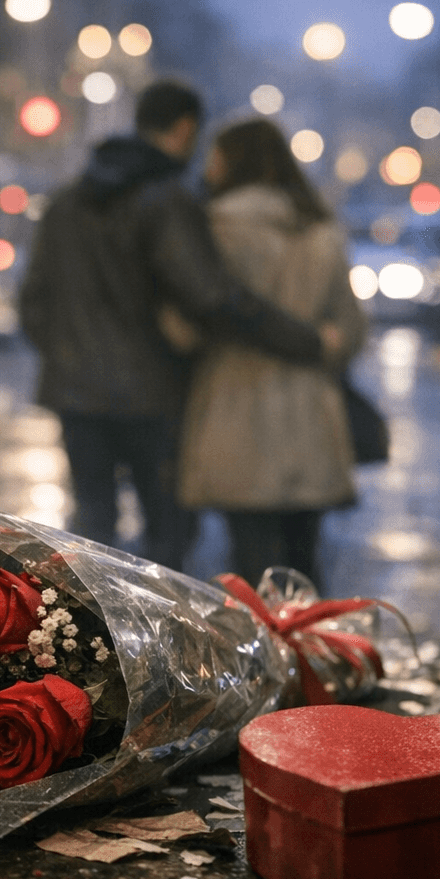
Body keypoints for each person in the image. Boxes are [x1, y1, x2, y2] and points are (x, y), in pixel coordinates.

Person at [19, 79, 335, 571]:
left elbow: (34, 302)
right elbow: (210, 296)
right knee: (167, 539)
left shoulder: (65, 203)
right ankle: (152, 643)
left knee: (91, 529)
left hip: (75, 391)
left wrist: (67, 356)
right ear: (185, 128)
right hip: (154, 393)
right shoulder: (166, 200)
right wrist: (302, 338)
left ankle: (91, 639)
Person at [175, 117, 366, 591]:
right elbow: (353, 329)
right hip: (311, 419)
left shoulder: (212, 226)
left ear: (231, 161)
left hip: (235, 414)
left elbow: (183, 326)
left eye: (215, 155)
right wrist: (323, 342)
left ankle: (265, 663)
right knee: (305, 566)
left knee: (250, 568)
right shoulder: (321, 231)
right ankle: (313, 659)